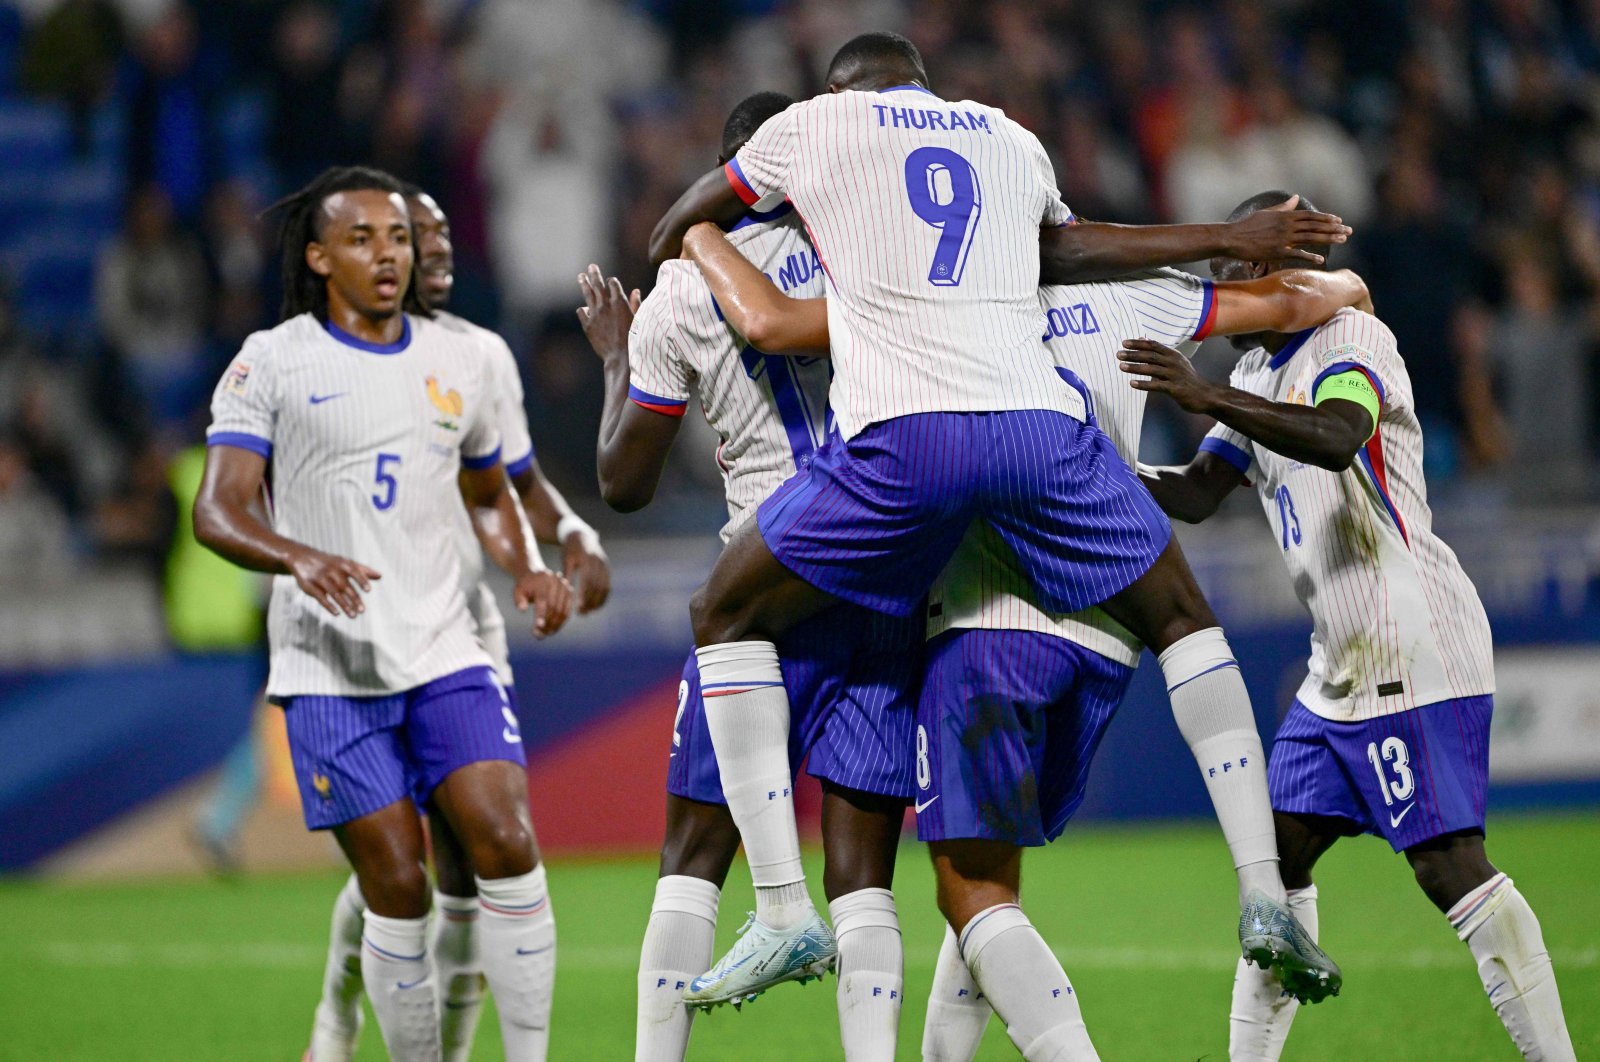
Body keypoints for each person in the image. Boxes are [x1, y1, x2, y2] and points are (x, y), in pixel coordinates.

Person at [646, 30, 1351, 1009]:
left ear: (839, 90)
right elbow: (1065, 250)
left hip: (920, 467)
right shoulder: (1005, 136)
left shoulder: (819, 130)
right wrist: (1225, 240)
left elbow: (735, 279)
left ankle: (775, 908)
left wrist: (686, 235)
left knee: (725, 616)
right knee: (1184, 616)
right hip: (1041, 446)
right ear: (927, 86)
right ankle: (1261, 892)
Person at [1127, 190, 1578, 1062]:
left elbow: (1336, 437)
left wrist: (1206, 396)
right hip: (1336, 668)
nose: (1221, 300)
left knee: (1448, 866)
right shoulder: (1256, 374)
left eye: (1231, 275)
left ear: (1272, 273)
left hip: (1411, 641)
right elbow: (1194, 492)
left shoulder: (1351, 342)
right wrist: (1097, 462)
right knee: (1274, 866)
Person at [194, 165, 573, 1062]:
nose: (388, 254)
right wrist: (298, 555)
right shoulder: (273, 360)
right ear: (320, 257)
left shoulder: (457, 358)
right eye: (362, 239)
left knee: (507, 843)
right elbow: (218, 508)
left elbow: (487, 492)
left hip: (445, 645)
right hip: (332, 663)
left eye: (398, 236)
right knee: (399, 884)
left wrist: (525, 563)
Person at [581, 90, 920, 1062]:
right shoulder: (876, 248)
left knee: (693, 856)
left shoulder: (686, 290)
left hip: (769, 574)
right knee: (863, 873)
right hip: (890, 565)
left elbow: (625, 484)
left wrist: (616, 359)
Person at [304, 185, 612, 1062]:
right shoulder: (325, 358)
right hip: (362, 642)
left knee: (478, 860)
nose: (432, 249)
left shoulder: (478, 357)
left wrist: (569, 538)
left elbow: (514, 481)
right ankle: (337, 1013)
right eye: (414, 235)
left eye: (439, 236)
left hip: (458, 629)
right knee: (397, 865)